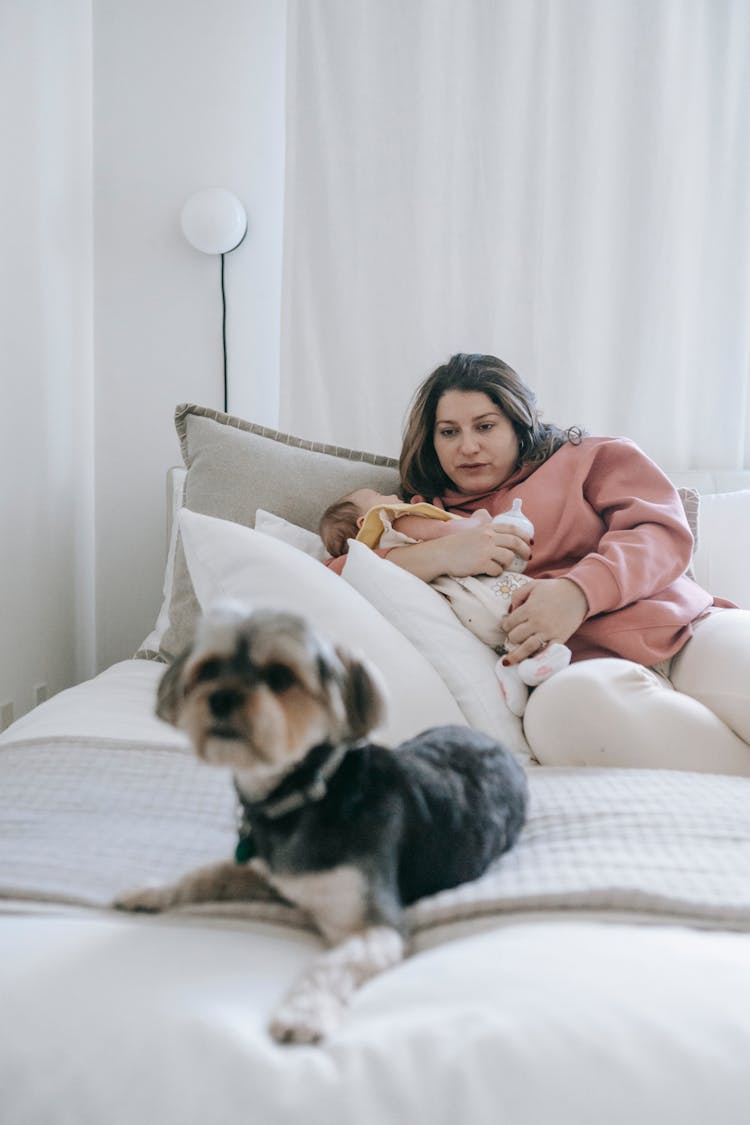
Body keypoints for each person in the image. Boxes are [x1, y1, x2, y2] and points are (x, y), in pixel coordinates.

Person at [382, 351, 750, 774]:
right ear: (431, 441)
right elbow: (343, 573)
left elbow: (659, 531)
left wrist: (578, 592)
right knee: (559, 718)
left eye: (485, 426)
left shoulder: (589, 457)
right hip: (579, 673)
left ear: (519, 425)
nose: (468, 447)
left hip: (684, 632)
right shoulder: (423, 518)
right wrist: (444, 552)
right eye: (449, 432)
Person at [319, 488, 571, 715]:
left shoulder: (380, 568)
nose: (393, 497)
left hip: (465, 610)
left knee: (504, 631)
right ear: (366, 520)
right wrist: (481, 522)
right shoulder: (396, 518)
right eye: (378, 494)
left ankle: (513, 668)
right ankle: (538, 660)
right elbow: (446, 530)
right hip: (484, 590)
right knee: (518, 607)